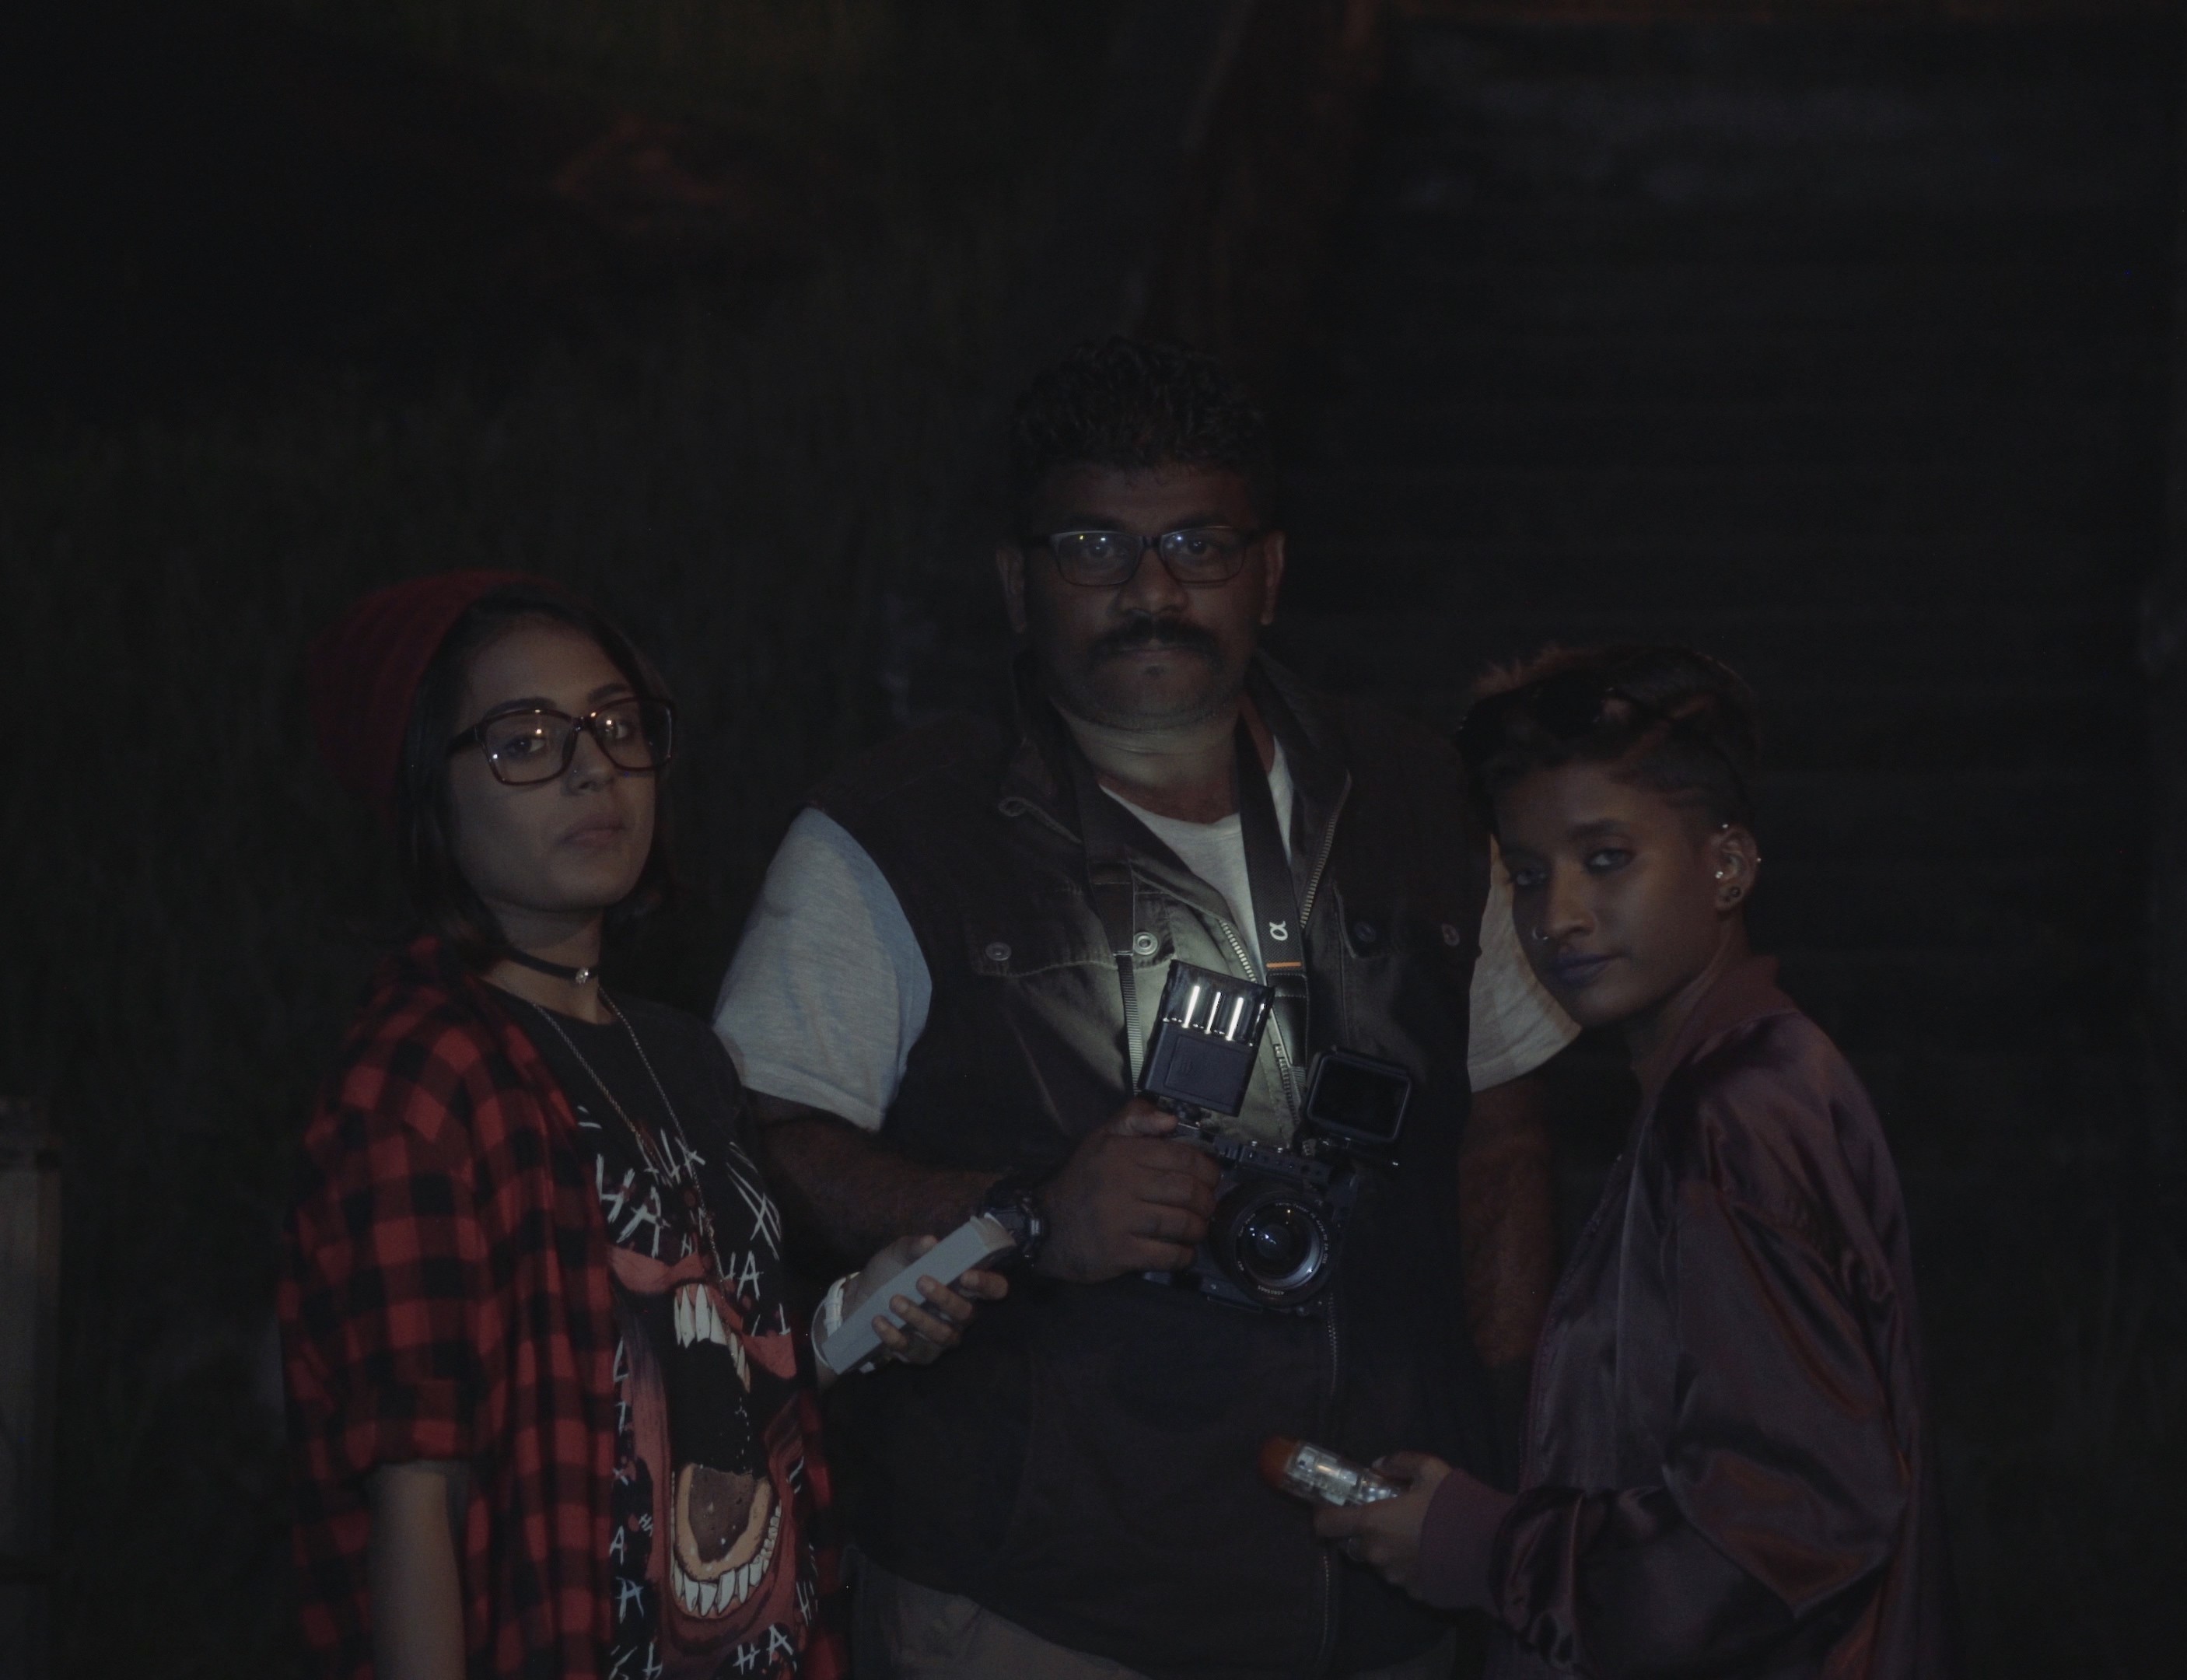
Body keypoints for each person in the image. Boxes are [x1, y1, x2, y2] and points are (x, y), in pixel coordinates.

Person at [710, 338, 1578, 1678]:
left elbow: (1504, 1142)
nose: (1153, 591)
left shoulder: (1414, 794)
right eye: (1095, 548)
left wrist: (1501, 1458)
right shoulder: (893, 834)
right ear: (1017, 584)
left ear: (1270, 571)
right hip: (1043, 1604)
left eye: (1198, 544)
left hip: (1379, 1579)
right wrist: (1026, 1214)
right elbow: (759, 1146)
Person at [281, 572, 1010, 1680]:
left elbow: (704, 1388)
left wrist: (855, 1316)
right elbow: (412, 1483)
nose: (593, 768)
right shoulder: (425, 1077)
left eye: (618, 726)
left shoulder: (684, 1058)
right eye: (525, 742)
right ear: (427, 789)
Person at [1313, 646, 1954, 1677]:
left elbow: (1790, 1528)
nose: (1556, 916)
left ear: (1727, 865)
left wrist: (1487, 1548)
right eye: (1528, 874)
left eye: (1606, 858)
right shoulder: (1734, 1083)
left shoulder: (1738, 1112)